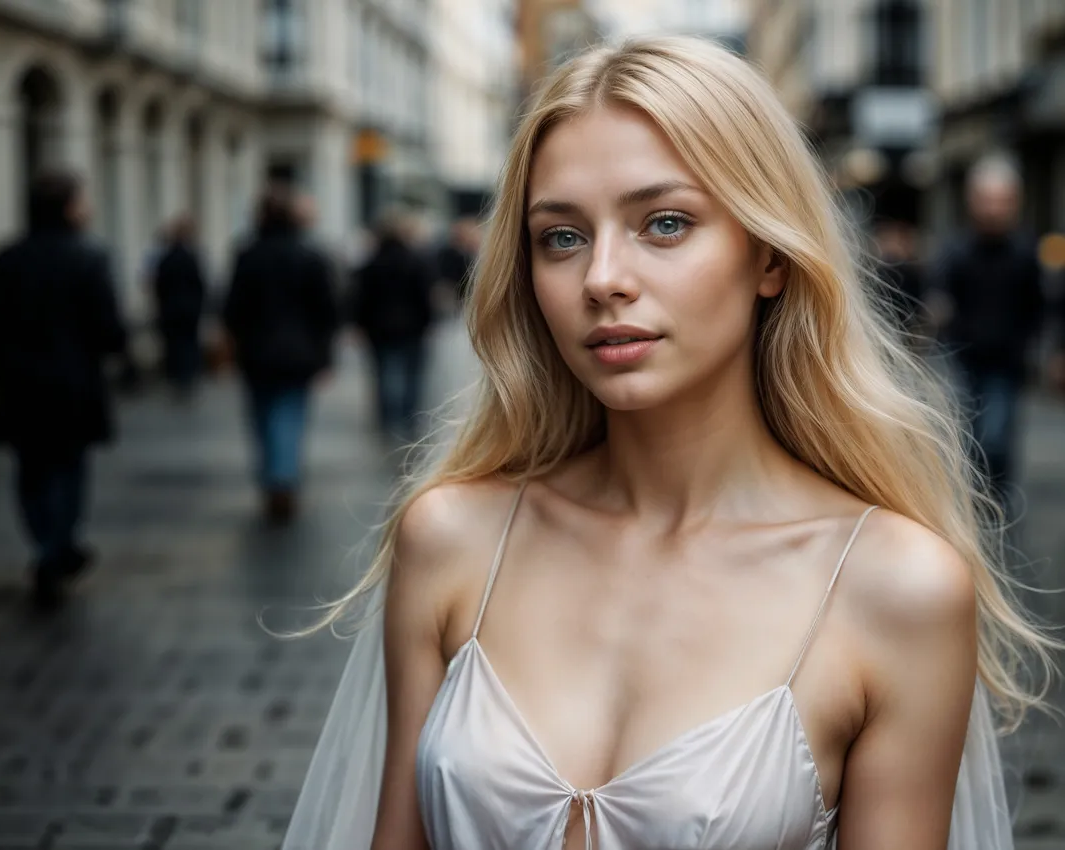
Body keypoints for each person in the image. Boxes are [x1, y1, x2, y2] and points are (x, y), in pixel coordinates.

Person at [282, 37, 1046, 850]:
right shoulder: (452, 540)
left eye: (666, 223)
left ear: (770, 258)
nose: (602, 277)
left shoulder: (896, 587)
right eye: (562, 237)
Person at [0, 170, 127, 609]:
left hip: (21, 384)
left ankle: (46, 543)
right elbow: (108, 329)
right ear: (68, 207)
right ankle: (57, 546)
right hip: (72, 383)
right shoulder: (88, 257)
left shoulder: (9, 257)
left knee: (31, 469)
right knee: (68, 468)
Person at [928, 156, 1044, 511]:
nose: (994, 209)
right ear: (972, 201)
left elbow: (1039, 305)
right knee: (967, 434)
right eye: (988, 199)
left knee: (995, 437)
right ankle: (974, 499)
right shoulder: (956, 251)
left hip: (1007, 363)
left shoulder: (1025, 253)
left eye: (1002, 200)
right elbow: (940, 297)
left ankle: (997, 499)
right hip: (964, 358)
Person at [222, 189, 339, 523]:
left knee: (261, 416)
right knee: (290, 416)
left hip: (256, 352)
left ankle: (272, 477)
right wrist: (324, 356)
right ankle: (283, 478)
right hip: (298, 353)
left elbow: (233, 308)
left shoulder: (248, 255)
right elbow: (326, 311)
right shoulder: (310, 256)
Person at [352, 209, 437, 441]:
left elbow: (361, 298)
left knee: (382, 374)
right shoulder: (416, 261)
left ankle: (387, 419)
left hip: (378, 328)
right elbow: (424, 296)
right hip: (412, 326)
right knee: (412, 374)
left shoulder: (370, 264)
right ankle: (409, 417)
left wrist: (359, 324)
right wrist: (429, 322)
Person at [151, 214, 206, 397]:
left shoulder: (166, 259)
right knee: (188, 343)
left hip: (171, 309)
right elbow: (199, 284)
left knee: (174, 345)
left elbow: (159, 285)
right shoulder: (191, 257)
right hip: (188, 309)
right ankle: (187, 377)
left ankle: (178, 378)